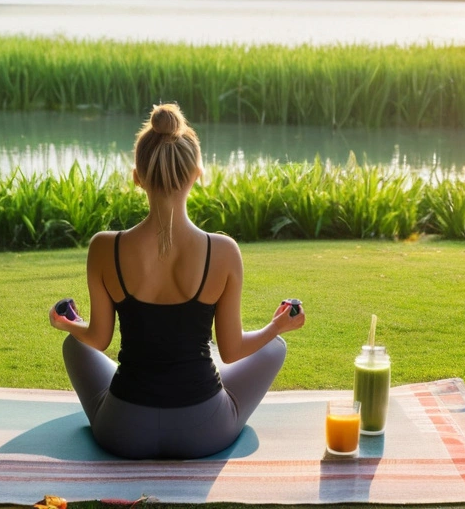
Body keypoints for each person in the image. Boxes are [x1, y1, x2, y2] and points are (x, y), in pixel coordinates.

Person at [49, 103, 306, 459]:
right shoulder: (224, 251)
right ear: (197, 173)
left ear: (137, 177)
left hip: (123, 430)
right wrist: (277, 325)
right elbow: (231, 351)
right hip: (204, 430)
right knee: (274, 346)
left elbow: (99, 339)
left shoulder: (104, 247)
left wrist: (68, 324)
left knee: (75, 343)